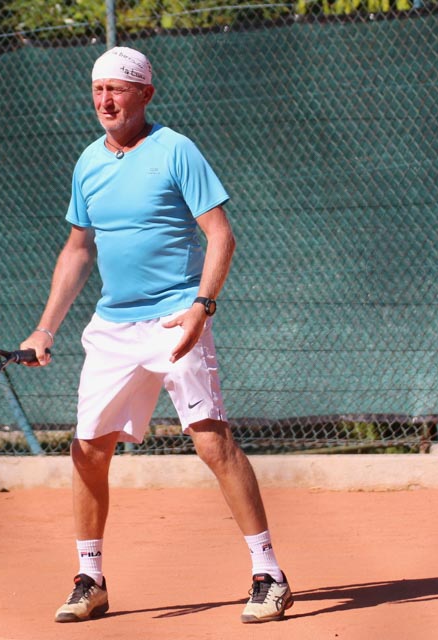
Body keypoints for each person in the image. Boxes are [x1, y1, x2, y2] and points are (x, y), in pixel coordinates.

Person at [20, 46, 292, 625]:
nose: (105, 101)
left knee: (211, 441)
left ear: (145, 94)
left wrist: (201, 308)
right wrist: (45, 328)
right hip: (113, 327)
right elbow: (78, 249)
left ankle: (269, 573)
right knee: (88, 449)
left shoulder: (175, 150)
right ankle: (90, 579)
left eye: (117, 90)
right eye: (98, 90)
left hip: (174, 318)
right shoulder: (88, 162)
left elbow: (221, 235)